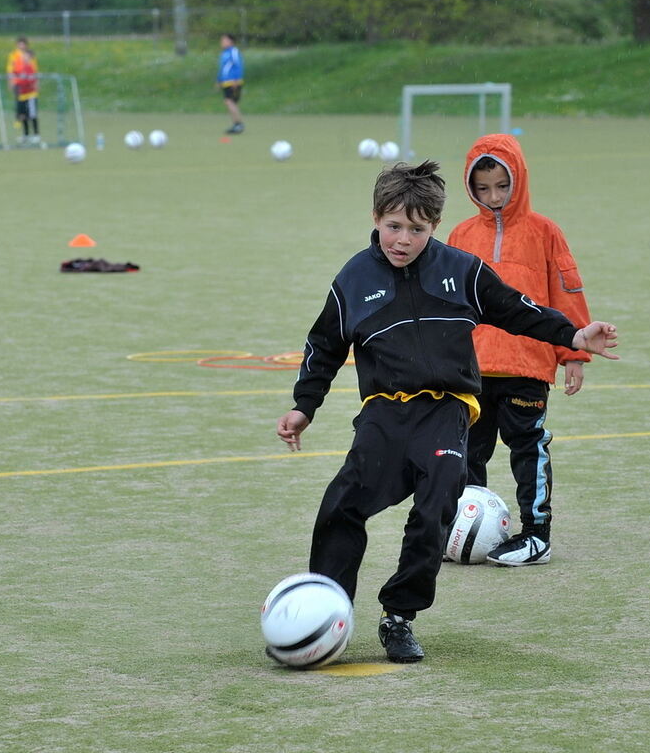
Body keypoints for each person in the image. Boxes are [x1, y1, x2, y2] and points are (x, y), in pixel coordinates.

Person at [276, 160, 619, 663]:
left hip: (446, 412)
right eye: (393, 226)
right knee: (341, 504)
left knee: (436, 505)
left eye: (416, 229)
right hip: (383, 414)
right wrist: (304, 406)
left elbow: (516, 310)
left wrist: (571, 336)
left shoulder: (461, 270)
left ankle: (399, 617)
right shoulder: (353, 278)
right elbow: (324, 345)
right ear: (375, 218)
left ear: (434, 227)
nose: (402, 239)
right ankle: (326, 609)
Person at [447, 134, 591, 568]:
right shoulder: (461, 233)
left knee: (528, 447)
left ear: (519, 180)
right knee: (466, 453)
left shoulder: (545, 232)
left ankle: (536, 535)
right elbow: (448, 301)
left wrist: (574, 354)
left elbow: (566, 294)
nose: (493, 197)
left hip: (526, 365)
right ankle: (461, 533)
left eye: (502, 186)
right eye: (483, 188)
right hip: (471, 369)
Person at [6, 37, 40, 144]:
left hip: (30, 95)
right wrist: (12, 81)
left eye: (27, 56)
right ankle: (26, 135)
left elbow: (32, 79)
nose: (24, 57)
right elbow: (13, 72)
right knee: (23, 115)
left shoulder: (30, 67)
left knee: (32, 115)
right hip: (22, 94)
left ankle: (36, 135)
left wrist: (34, 84)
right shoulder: (19, 65)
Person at [216, 33, 245, 134]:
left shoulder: (234, 51)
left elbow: (238, 65)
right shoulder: (224, 53)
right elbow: (222, 68)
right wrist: (219, 80)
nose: (222, 42)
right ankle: (236, 124)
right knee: (230, 103)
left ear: (230, 41)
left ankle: (238, 124)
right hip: (225, 82)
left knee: (230, 102)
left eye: (224, 40)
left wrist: (236, 80)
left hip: (233, 82)